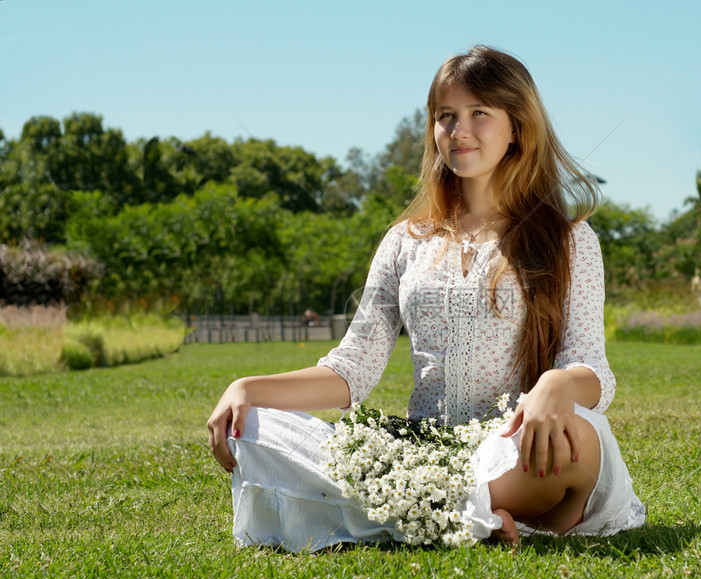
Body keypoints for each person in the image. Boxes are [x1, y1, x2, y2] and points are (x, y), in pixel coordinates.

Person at [207, 45, 645, 550]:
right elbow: (351, 370)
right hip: (419, 449)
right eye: (445, 117)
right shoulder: (404, 241)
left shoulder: (570, 240)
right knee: (255, 428)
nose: (458, 131)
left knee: (581, 437)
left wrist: (557, 385)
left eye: (479, 113)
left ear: (517, 128)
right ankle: (460, 516)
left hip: (512, 450)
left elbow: (593, 370)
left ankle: (419, 513)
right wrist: (248, 387)